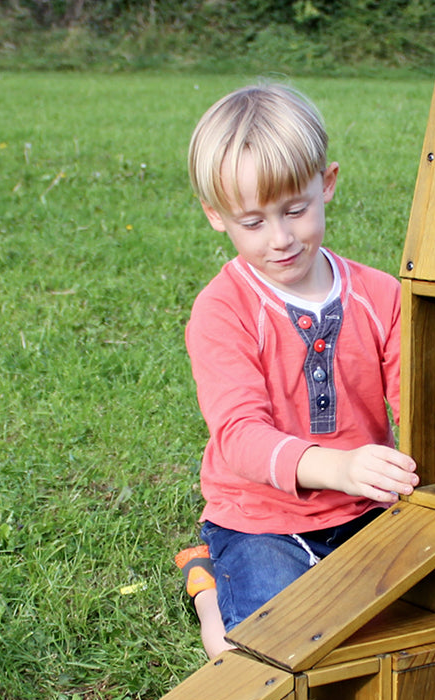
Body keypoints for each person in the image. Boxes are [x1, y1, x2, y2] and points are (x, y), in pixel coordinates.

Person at [178, 82, 418, 659]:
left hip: (364, 508)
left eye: (295, 211)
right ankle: (207, 583)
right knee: (261, 654)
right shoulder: (222, 310)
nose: (281, 239)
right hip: (259, 518)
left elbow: (420, 398)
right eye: (253, 222)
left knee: (402, 627)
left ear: (327, 183)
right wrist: (339, 466)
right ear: (216, 216)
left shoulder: (380, 295)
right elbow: (239, 437)